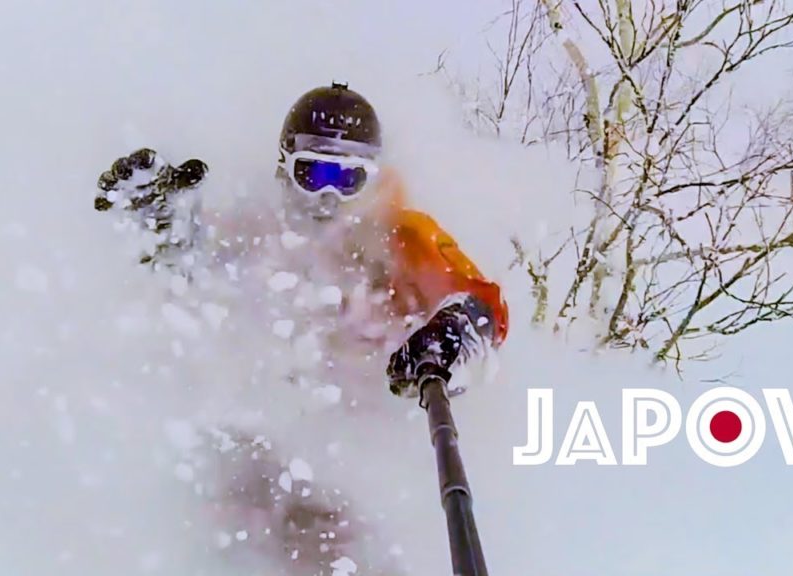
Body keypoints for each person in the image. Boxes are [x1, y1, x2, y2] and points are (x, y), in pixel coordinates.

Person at [93, 82, 508, 573]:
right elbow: (197, 286)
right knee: (229, 499)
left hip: (361, 456)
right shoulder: (256, 230)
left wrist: (456, 329)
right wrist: (167, 230)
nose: (329, 196)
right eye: (313, 173)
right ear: (284, 169)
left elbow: (483, 302)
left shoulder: (403, 237)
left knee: (330, 544)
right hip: (264, 447)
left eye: (348, 178)